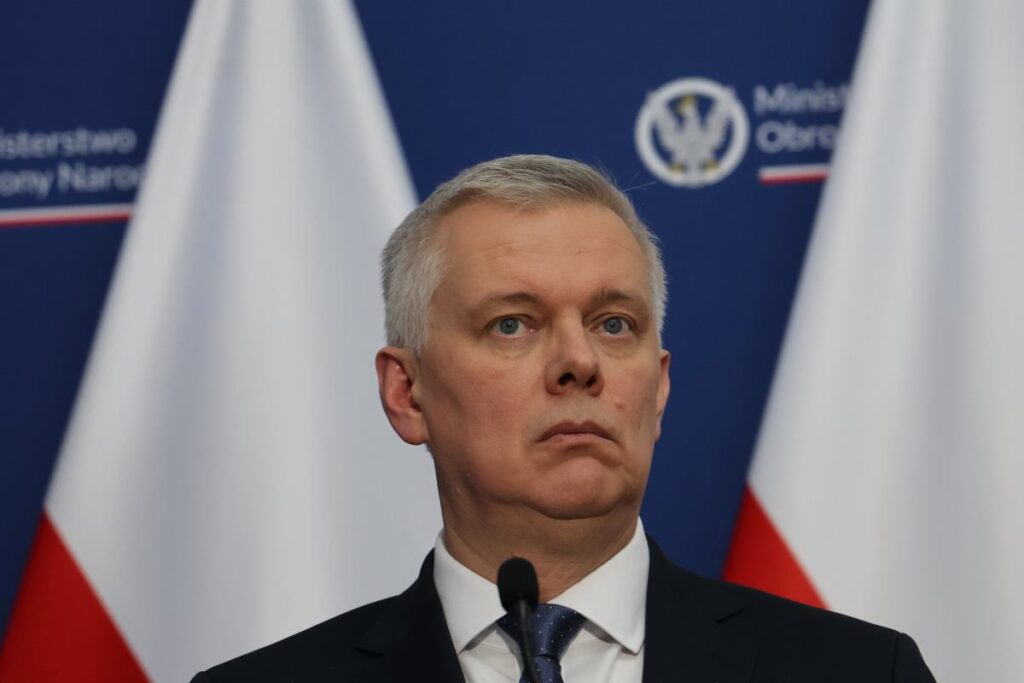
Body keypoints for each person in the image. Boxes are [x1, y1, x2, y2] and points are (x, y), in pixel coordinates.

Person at [192, 155, 935, 682]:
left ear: (659, 388)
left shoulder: (863, 671)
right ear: (408, 393)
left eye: (614, 324)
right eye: (512, 324)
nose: (579, 361)